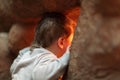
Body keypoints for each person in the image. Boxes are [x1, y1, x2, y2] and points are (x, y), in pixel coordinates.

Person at [10, 12, 76, 80]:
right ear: (61, 42)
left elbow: (13, 68)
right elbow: (40, 76)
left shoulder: (27, 55)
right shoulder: (45, 57)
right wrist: (67, 56)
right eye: (70, 42)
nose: (71, 44)